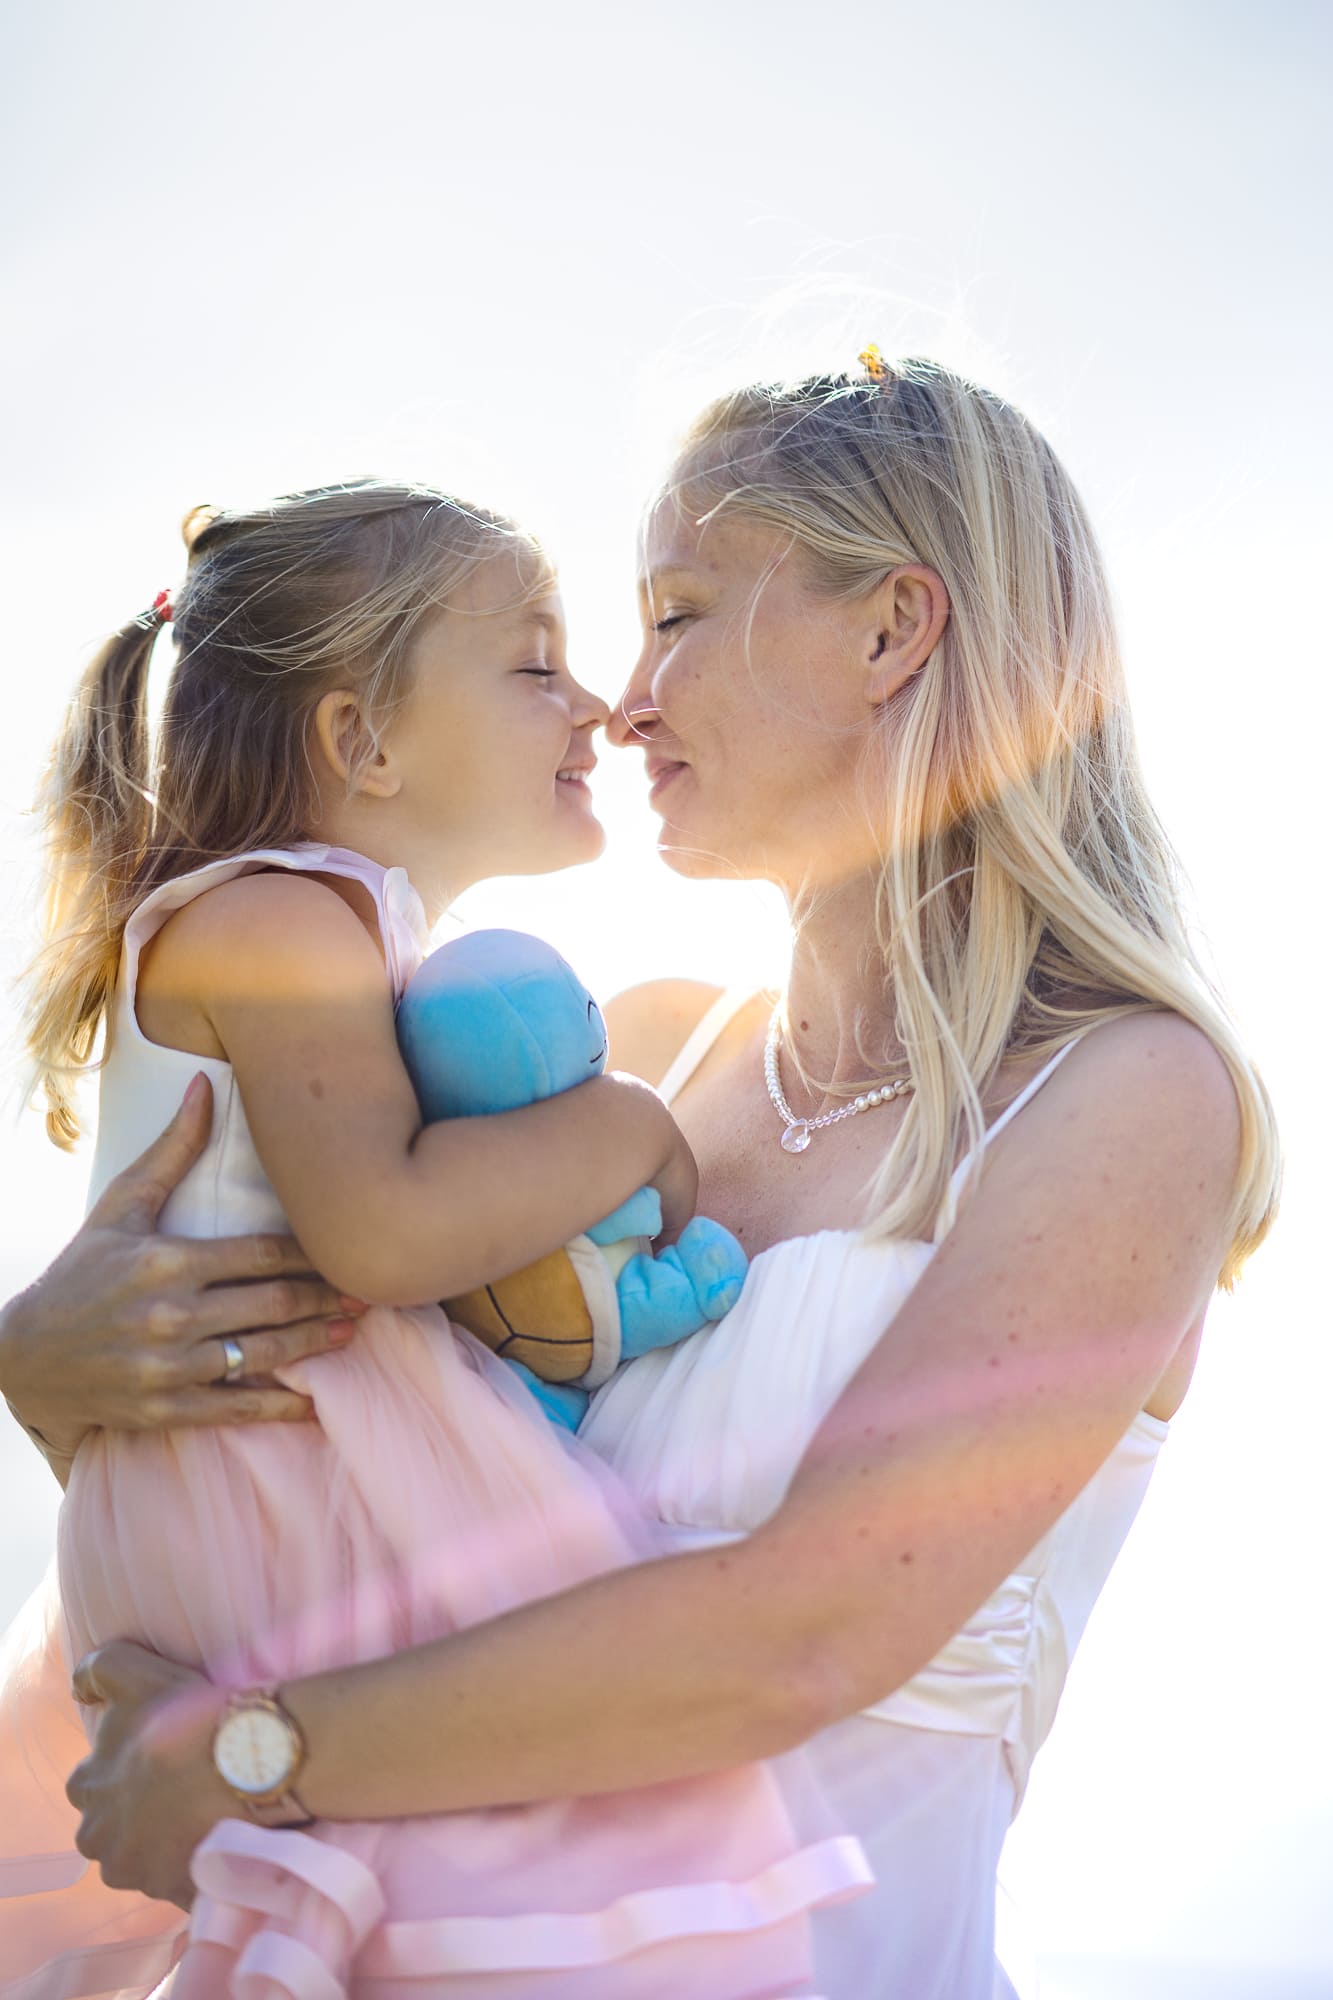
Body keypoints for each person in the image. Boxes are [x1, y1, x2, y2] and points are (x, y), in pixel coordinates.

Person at [0, 356, 1281, 1998]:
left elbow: (801, 1638)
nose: (622, 697)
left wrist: (254, 1756)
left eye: (675, 612)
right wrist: (52, 1371)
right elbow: (335, 1478)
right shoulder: (632, 1059)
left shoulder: (1125, 1097)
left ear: (893, 631)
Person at [0, 481, 870, 1999]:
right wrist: (624, 1128)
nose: (598, 703)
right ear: (363, 743)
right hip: (269, 1478)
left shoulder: (328, 927)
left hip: (260, 1465)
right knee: (533, 1827)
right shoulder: (280, 920)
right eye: (536, 662)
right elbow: (386, 1237)